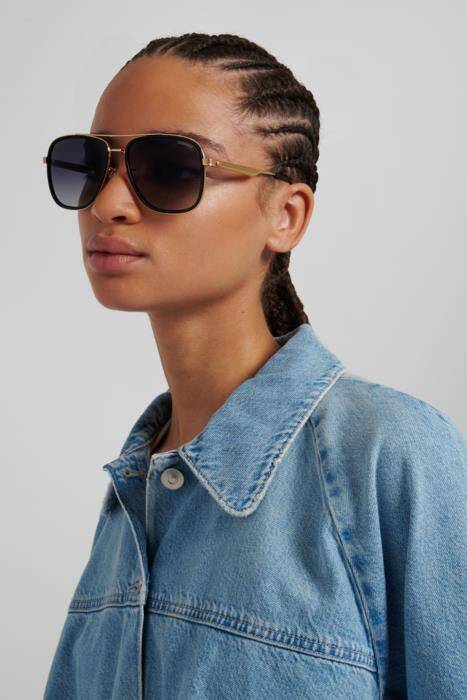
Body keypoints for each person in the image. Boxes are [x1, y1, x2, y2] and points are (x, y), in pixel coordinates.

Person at [43, 32, 466, 699]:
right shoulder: (132, 494)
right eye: (90, 165)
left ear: (286, 215)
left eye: (169, 168)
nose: (107, 204)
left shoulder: (391, 454)